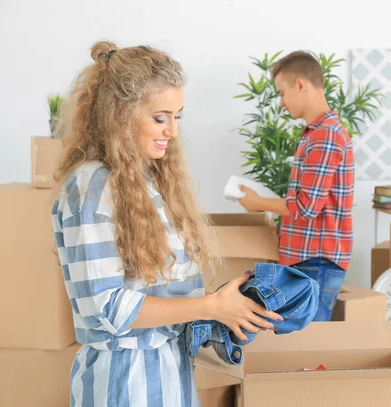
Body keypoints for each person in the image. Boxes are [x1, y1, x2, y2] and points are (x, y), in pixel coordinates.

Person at [52, 40, 282, 407]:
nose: (172, 131)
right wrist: (209, 306)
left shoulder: (149, 181)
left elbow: (166, 295)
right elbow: (105, 307)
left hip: (171, 374)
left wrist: (227, 308)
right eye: (160, 118)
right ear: (121, 116)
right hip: (125, 384)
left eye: (177, 117)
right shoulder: (92, 186)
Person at [238, 51, 355, 322]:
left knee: (307, 343)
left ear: (300, 85)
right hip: (309, 259)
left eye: (282, 93)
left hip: (317, 260)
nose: (281, 102)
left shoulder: (325, 135)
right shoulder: (314, 134)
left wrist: (259, 204)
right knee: (299, 341)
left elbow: (306, 206)